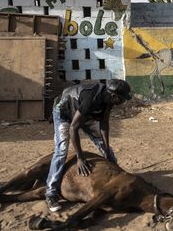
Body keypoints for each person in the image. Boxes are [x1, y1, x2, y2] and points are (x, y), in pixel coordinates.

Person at [45, 79, 132, 212]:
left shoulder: (109, 99)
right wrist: (80, 158)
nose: (123, 101)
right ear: (114, 96)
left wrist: (106, 148)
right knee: (61, 151)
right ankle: (51, 192)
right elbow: (73, 128)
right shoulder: (91, 98)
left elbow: (104, 124)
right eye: (122, 99)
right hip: (65, 113)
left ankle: (117, 178)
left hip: (83, 114)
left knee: (106, 148)